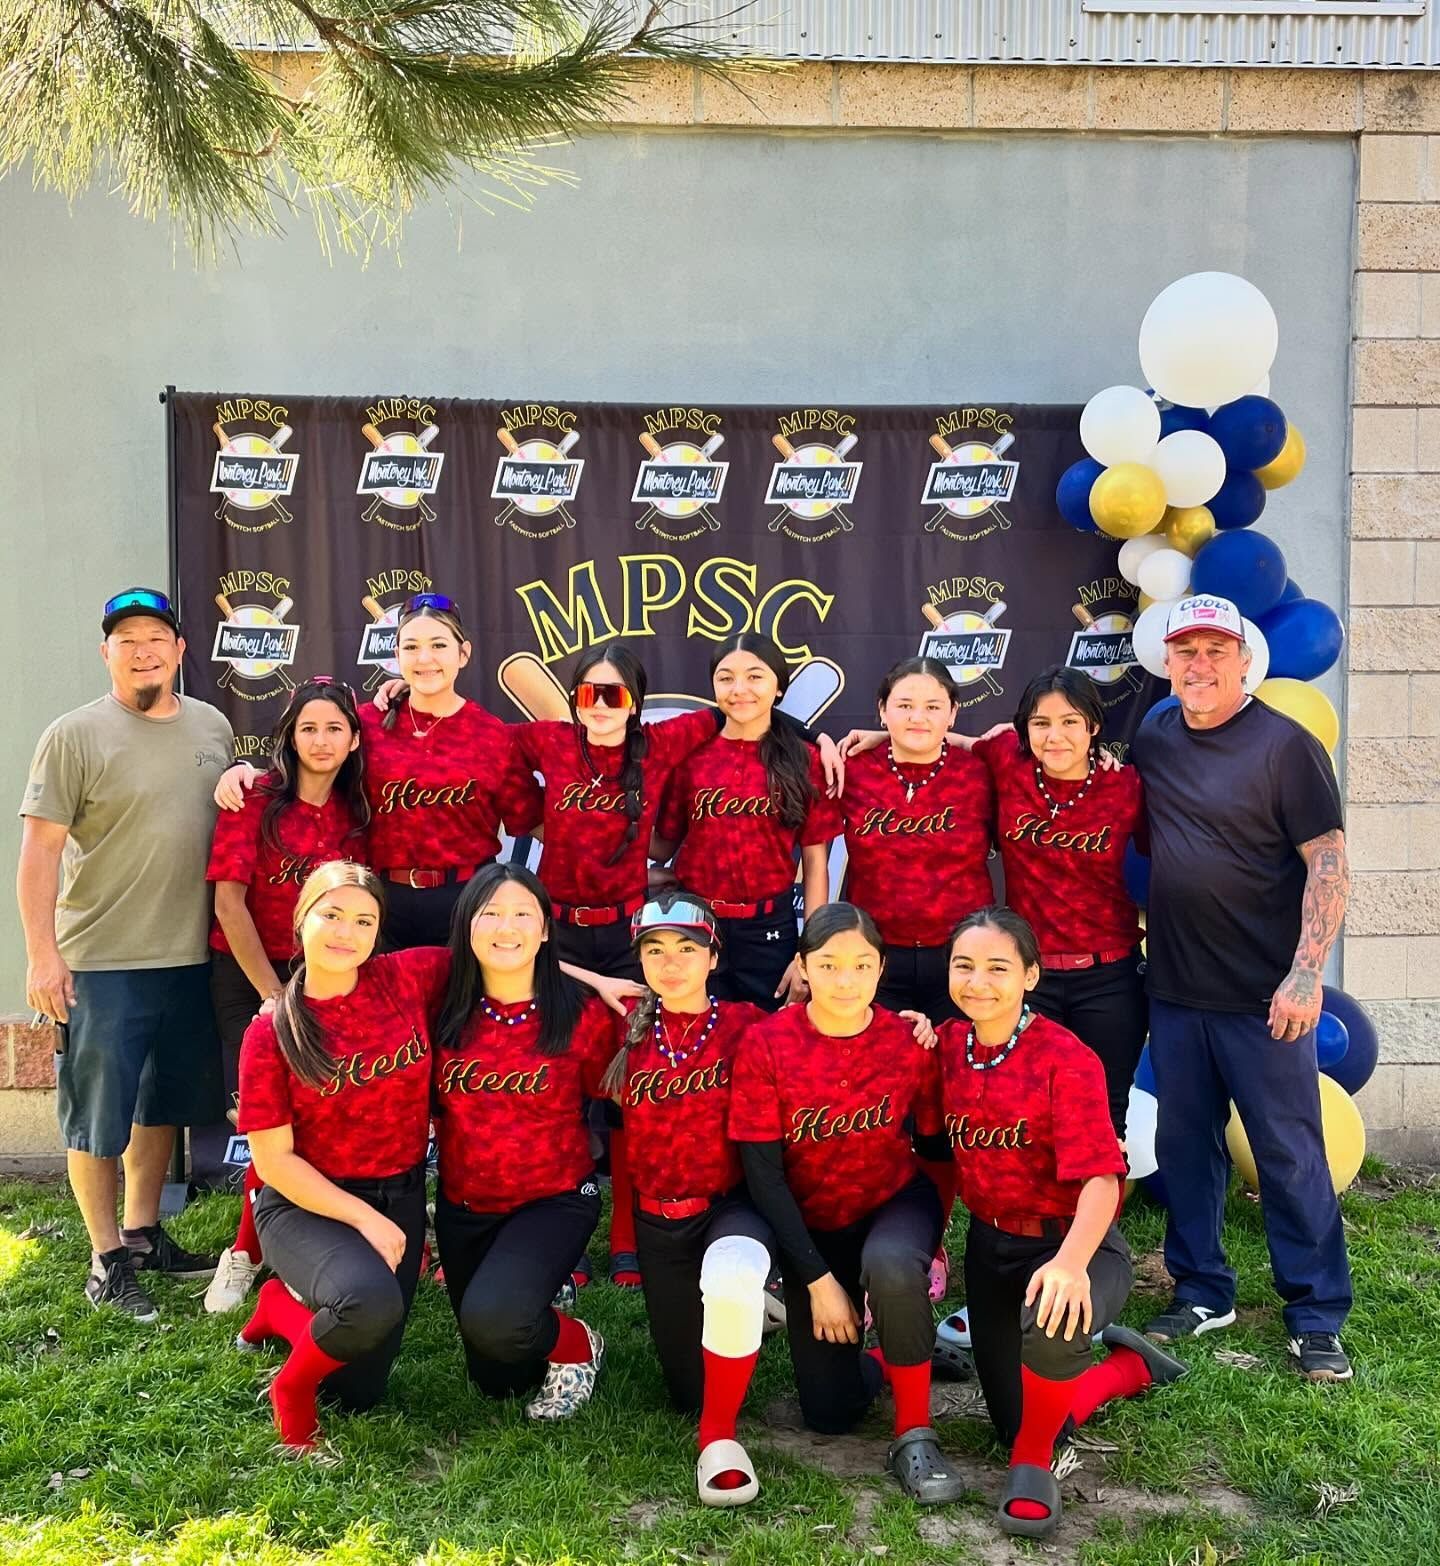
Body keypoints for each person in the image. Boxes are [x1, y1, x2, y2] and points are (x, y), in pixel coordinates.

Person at [499, 640, 836, 1291]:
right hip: (614, 930)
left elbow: (750, 722)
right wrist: (545, 821)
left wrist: (817, 738)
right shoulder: (562, 742)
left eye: (616, 694)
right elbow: (499, 744)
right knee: (577, 1080)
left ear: (638, 702)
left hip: (708, 933)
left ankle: (715, 1224)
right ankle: (570, 1230)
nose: (602, 705)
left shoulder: (679, 744)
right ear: (573, 698)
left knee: (687, 1081)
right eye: (589, 692)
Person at [1131, 594, 1354, 1382]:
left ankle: (1317, 1314)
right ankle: (1202, 1289)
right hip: (1179, 991)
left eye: (1214, 651)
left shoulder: (1285, 747)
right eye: (1184, 650)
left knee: (1290, 1155)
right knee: (1186, 1150)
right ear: (1168, 660)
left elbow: (1327, 861)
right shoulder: (1155, 731)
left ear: (1244, 661)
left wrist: (1306, 973)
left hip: (1267, 999)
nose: (1198, 665)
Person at [934, 907, 1186, 1541]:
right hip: (991, 1245)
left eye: (998, 968)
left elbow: (1104, 1179)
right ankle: (1127, 1369)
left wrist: (1071, 1265)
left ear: (1031, 975)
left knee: (1047, 1346)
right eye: (964, 966)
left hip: (1076, 1242)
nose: (978, 982)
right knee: (1014, 1414)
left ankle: (1032, 1467)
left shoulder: (1064, 1058)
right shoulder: (947, 1046)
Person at [18, 587, 232, 1320]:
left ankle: (142, 1235)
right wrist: (43, 956)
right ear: (107, 652)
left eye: (157, 638)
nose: (143, 650)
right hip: (101, 960)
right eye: (127, 639)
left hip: (190, 957)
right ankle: (105, 1258)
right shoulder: (73, 734)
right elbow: (39, 855)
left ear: (178, 650)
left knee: (161, 1105)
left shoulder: (212, 725)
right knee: (98, 1115)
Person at [728, 902, 962, 1506]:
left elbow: (937, 1151)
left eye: (861, 965)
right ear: (803, 967)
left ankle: (915, 1432)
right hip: (813, 1222)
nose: (845, 979)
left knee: (890, 1264)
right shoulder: (766, 1044)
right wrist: (817, 1280)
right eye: (828, 965)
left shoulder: (908, 1040)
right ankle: (898, 1353)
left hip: (892, 1204)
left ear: (882, 968)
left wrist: (932, 1241)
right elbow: (764, 1175)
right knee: (829, 1413)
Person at [234, 862, 447, 1451]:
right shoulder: (273, 1030)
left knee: (358, 1389)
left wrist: (598, 981)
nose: (345, 933)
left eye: (363, 920)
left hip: (398, 1192)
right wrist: (363, 1217)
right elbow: (274, 1162)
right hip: (304, 1204)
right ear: (302, 919)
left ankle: (278, 1308)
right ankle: (290, 1397)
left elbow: (505, 950)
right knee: (366, 1304)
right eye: (331, 915)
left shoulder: (405, 979)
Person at [215, 594, 533, 950]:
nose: (424, 658)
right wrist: (243, 770)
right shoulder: (366, 723)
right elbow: (309, 761)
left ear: (463, 653)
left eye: (439, 645)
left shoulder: (492, 735)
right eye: (411, 647)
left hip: (467, 900)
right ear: (396, 656)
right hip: (379, 901)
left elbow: (531, 820)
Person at [599, 891, 773, 1506]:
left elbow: (831, 1021)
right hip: (657, 1220)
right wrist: (598, 981)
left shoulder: (748, 1022)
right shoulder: (621, 1025)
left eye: (686, 949)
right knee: (684, 1387)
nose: (671, 964)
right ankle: (755, 1310)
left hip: (728, 1205)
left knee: (728, 1279)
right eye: (654, 950)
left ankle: (718, 1437)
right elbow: (539, 971)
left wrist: (914, 1023)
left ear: (712, 956)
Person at [204, 676, 370, 1314]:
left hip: (326, 972)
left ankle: (294, 1248)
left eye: (335, 728)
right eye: (308, 728)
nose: (322, 740)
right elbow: (228, 902)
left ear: (353, 740)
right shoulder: (253, 799)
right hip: (253, 971)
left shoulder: (358, 812)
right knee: (263, 1118)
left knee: (317, 1116)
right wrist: (273, 995)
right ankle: (244, 1255)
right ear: (288, 738)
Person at [429, 864, 612, 1420]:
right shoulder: (439, 1008)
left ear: (546, 930)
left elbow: (625, 1097)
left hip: (554, 1198)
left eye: (521, 914)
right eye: (490, 913)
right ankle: (543, 1293)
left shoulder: (582, 1017)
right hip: (466, 1206)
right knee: (498, 1378)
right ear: (466, 925)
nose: (506, 927)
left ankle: (580, 1345)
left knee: (498, 1320)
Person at [964, 667, 1146, 1138]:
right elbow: (941, 741)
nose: (1055, 736)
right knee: (1028, 1108)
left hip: (1108, 976)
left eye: (1070, 722)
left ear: (1094, 727)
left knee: (1106, 1111)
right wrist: (872, 733)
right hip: (1030, 976)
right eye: (1041, 723)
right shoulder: (1007, 761)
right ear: (1024, 729)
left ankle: (1101, 1214)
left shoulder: (1125, 787)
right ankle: (1036, 1213)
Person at [653, 635, 841, 1009]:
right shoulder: (691, 755)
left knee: (771, 1043)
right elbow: (664, 844)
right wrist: (599, 827)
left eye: (755, 677)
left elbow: (816, 865)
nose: (739, 689)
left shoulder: (804, 760)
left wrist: (809, 953)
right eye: (726, 678)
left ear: (778, 686)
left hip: (770, 930)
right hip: (694, 925)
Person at [833, 658, 994, 1022]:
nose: (918, 718)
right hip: (874, 957)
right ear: (882, 710)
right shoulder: (853, 768)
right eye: (904, 706)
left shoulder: (982, 772)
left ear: (952, 713)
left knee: (958, 1069)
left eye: (933, 707)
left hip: (964, 958)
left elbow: (1039, 750)